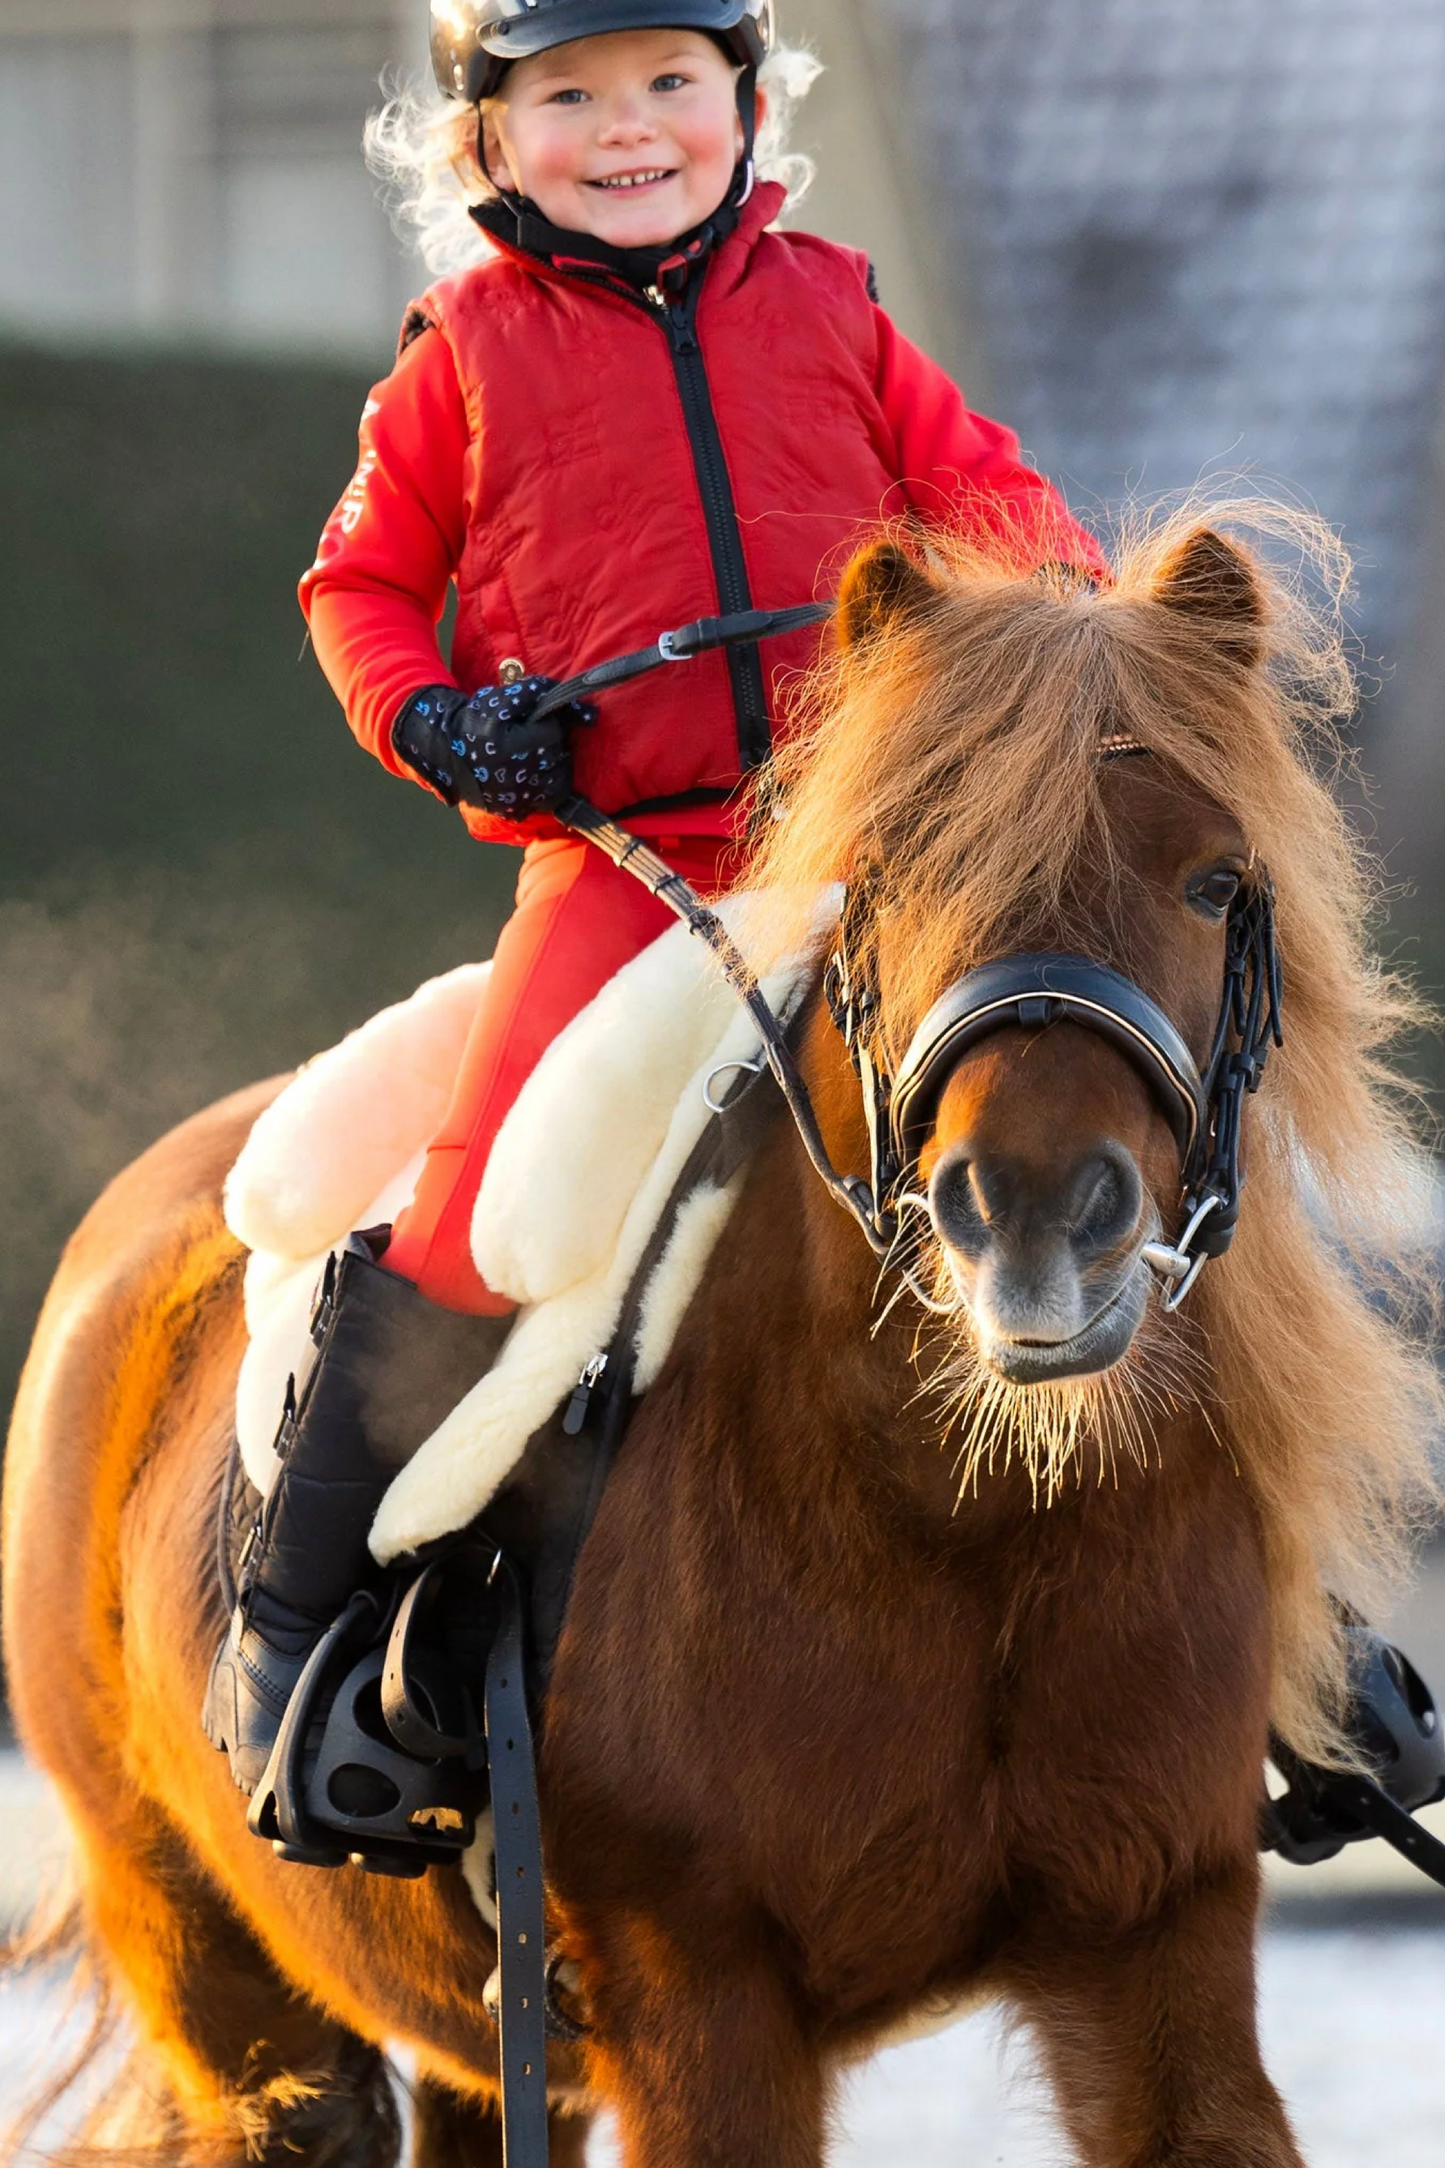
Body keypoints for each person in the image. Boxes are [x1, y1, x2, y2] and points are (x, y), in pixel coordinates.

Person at [204, 0, 1106, 1820]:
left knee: (1128, 1108)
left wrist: (1076, 627)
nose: (631, 129)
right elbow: (360, 585)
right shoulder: (458, 357)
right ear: (488, 137)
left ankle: (1313, 1659)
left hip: (881, 859)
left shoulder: (838, 307)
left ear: (743, 104)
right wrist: (443, 716)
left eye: (670, 85)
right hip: (631, 864)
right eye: (573, 97)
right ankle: (291, 1652)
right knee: (473, 1230)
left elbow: (1005, 506)